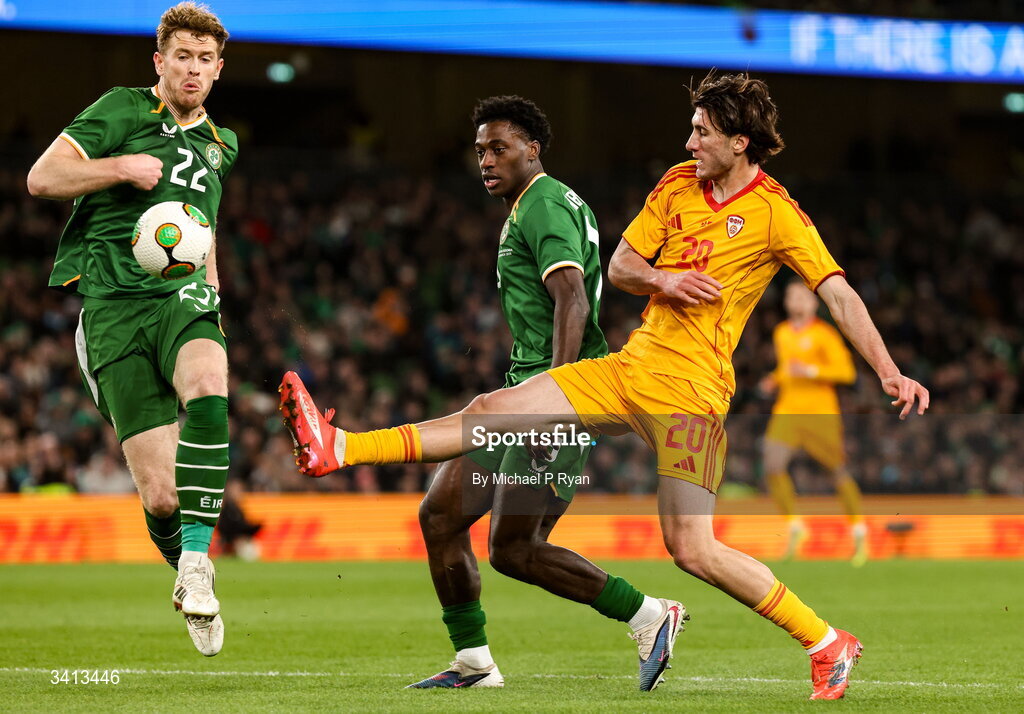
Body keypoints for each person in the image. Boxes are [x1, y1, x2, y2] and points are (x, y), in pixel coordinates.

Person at [279, 71, 929, 700]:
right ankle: (341, 447)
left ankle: (824, 641)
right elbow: (621, 264)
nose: (689, 143)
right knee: (492, 409)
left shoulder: (777, 213)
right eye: (692, 129)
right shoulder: (677, 184)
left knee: (693, 549)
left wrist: (888, 369)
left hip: (693, 398)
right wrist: (664, 282)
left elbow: (836, 293)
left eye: (702, 132)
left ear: (740, 142)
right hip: (627, 371)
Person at [297, 96, 684, 692]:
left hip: (561, 399)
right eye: (480, 150)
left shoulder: (544, 204)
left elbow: (573, 299)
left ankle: (650, 615)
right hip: (526, 392)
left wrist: (553, 407)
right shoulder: (533, 205)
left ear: (533, 147)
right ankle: (474, 663)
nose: (486, 159)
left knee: (516, 550)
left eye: (499, 148)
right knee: (440, 517)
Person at [27, 2, 237, 656]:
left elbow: (202, 225)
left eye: (205, 59)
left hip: (183, 298)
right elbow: (43, 178)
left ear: (219, 68)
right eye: (182, 57)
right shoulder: (121, 110)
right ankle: (184, 570)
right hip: (115, 308)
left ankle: (201, 564)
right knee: (164, 496)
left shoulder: (221, 144)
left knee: (208, 384)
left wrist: (213, 290)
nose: (193, 69)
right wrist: (118, 167)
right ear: (160, 62)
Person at [759, 280, 867, 564]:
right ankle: (795, 527)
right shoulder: (781, 332)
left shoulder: (825, 334)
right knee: (772, 463)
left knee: (836, 471)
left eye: (801, 296)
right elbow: (787, 368)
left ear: (813, 303)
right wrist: (774, 379)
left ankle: (858, 531)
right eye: (790, 295)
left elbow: (846, 372)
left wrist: (810, 370)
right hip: (788, 410)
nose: (795, 300)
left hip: (820, 413)